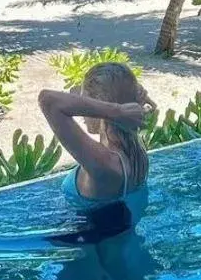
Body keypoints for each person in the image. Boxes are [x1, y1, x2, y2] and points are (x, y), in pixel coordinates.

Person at [38, 61, 153, 219]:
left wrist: (116, 111)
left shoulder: (106, 164)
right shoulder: (137, 151)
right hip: (125, 242)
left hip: (92, 244)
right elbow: (125, 89)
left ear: (100, 104)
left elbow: (48, 101)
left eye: (86, 101)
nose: (83, 113)